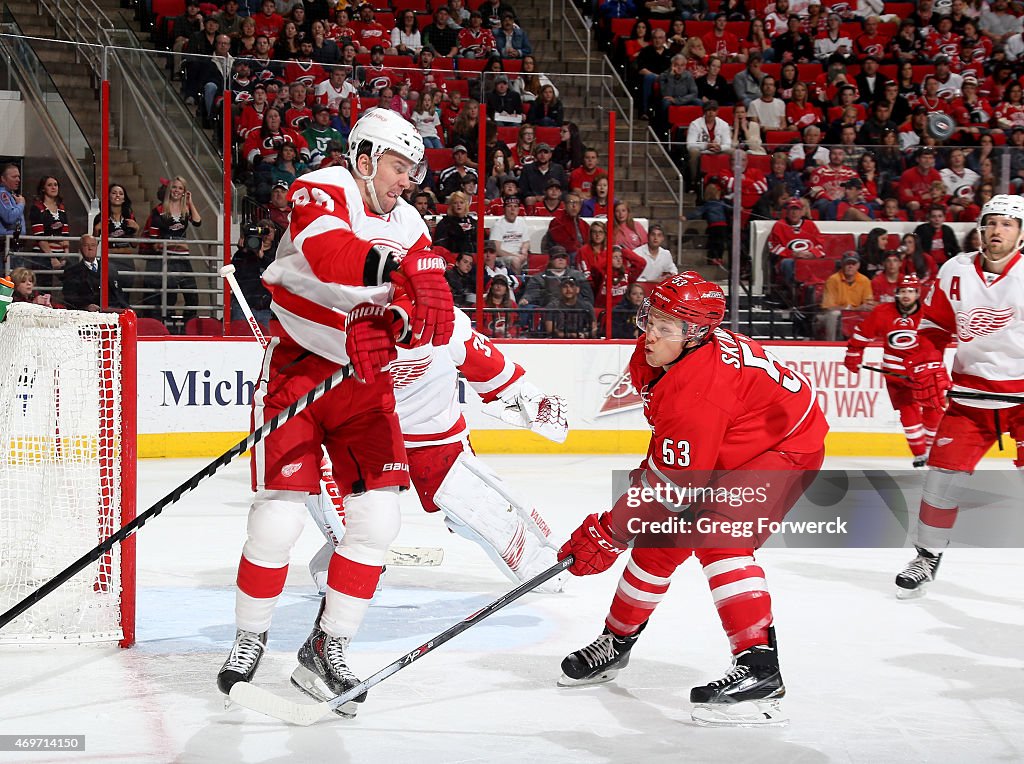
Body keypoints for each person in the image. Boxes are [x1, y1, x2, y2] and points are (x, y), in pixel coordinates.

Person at [216, 108, 455, 714]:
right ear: (368, 157)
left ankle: (328, 646)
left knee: (379, 522)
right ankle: (249, 636)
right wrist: (399, 275)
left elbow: (428, 312)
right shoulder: (321, 188)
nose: (409, 180)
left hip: (365, 388)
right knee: (279, 520)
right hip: (298, 374)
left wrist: (399, 322)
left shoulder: (410, 221)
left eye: (413, 170)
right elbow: (328, 255)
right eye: (401, 167)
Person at [555, 272, 827, 727]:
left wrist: (607, 531)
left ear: (696, 334)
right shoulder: (657, 360)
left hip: (783, 450)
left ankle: (760, 669)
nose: (650, 335)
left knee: (722, 539)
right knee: (657, 542)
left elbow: (676, 481)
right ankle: (615, 642)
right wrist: (628, 520)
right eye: (650, 320)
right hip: (729, 444)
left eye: (665, 327)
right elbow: (670, 451)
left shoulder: (699, 383)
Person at [896, 195, 1024, 598]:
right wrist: (928, 362)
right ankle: (927, 556)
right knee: (939, 482)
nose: (997, 230)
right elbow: (934, 326)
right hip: (969, 401)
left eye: (1007, 224)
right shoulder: (956, 269)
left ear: (1021, 234)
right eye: (991, 222)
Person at [845, 275, 940, 467]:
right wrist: (853, 354)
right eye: (903, 291)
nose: (906, 295)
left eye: (911, 291)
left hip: (924, 373)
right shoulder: (882, 312)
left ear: (918, 294)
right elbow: (862, 333)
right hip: (896, 375)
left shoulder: (929, 314)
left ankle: (931, 450)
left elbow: (940, 338)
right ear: (896, 293)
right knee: (908, 411)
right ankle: (920, 454)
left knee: (934, 409)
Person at [142, 176, 203, 323]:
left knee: (192, 294)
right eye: (174, 187)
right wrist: (177, 244)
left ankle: (188, 326)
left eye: (180, 188)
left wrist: (190, 202)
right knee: (170, 297)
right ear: (170, 189)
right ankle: (169, 327)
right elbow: (155, 241)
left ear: (184, 191)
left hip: (183, 259)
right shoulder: (159, 210)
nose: (177, 190)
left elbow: (197, 222)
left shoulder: (186, 209)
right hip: (166, 259)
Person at [60, 234, 130, 311]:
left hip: (112, 310)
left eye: (93, 245)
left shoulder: (110, 268)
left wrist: (127, 309)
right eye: (86, 245)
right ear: (80, 248)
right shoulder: (72, 271)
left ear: (97, 247)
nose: (90, 248)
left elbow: (118, 294)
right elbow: (70, 298)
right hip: (88, 313)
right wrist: (85, 307)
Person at [816, 251, 875, 340]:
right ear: (842, 264)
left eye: (853, 263)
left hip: (856, 315)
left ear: (858, 265)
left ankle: (868, 344)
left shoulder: (865, 280)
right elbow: (829, 307)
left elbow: (868, 305)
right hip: (833, 315)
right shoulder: (833, 280)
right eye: (848, 263)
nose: (850, 266)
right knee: (834, 315)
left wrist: (863, 308)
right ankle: (831, 345)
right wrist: (853, 309)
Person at [229, 219, 276, 327]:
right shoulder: (242, 254)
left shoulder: (276, 253)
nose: (266, 236)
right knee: (239, 337)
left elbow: (277, 272)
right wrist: (243, 252)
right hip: (243, 306)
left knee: (267, 340)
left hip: (265, 308)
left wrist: (262, 257)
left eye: (269, 232)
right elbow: (233, 274)